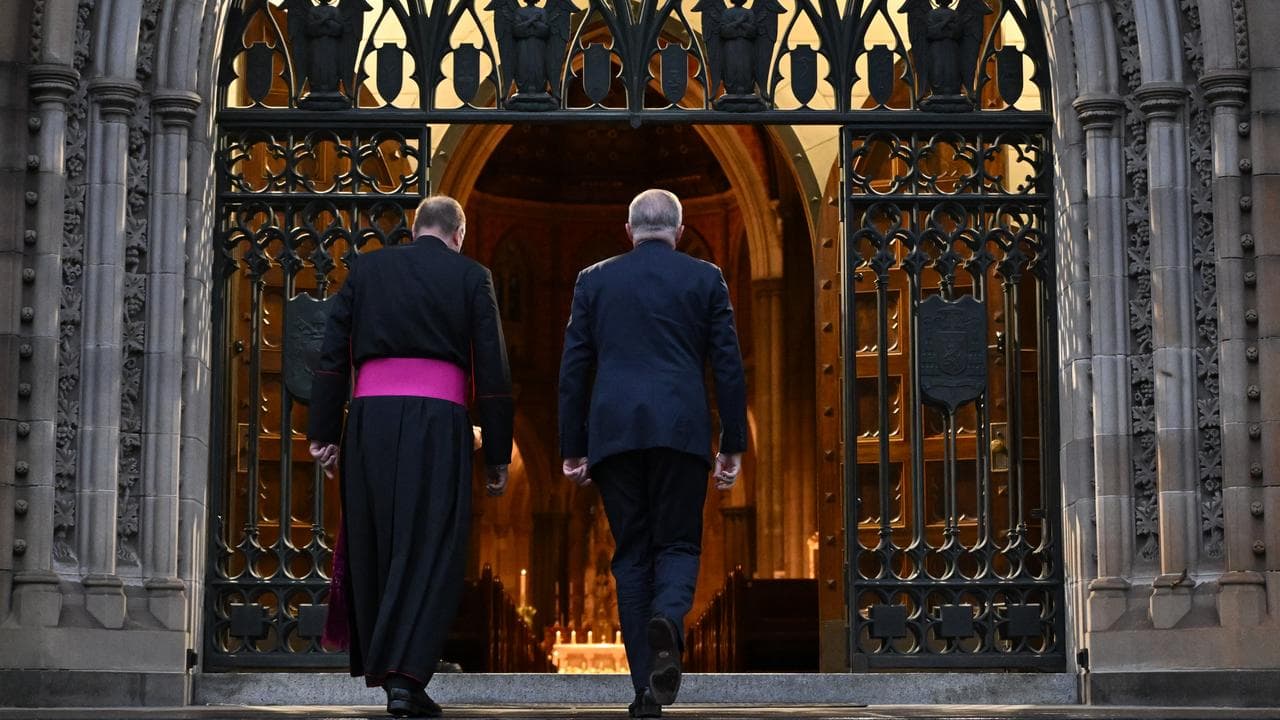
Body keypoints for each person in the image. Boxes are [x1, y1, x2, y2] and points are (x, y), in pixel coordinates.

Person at [308, 195, 513, 718]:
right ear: (458, 235)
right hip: (437, 425)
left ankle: (392, 674)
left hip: (370, 422)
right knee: (430, 547)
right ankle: (406, 674)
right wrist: (495, 451)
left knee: (377, 541)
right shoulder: (472, 276)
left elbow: (333, 352)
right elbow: (492, 366)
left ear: (415, 227)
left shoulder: (367, 269)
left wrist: (325, 431)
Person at [558, 189, 748, 718]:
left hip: (614, 436)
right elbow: (728, 366)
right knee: (680, 545)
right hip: (682, 430)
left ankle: (646, 691)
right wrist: (732, 443)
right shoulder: (705, 278)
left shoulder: (593, 280)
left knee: (631, 555)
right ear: (680, 231)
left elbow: (573, 368)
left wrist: (572, 446)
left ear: (628, 231)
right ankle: (668, 616)